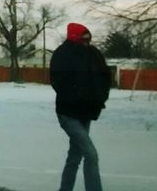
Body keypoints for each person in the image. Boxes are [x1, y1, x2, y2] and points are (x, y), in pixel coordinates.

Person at [50, 22, 111, 191]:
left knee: (75, 156)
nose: (86, 43)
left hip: (86, 112)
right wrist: (78, 96)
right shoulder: (63, 54)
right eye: (83, 39)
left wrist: (100, 98)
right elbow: (58, 82)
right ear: (75, 37)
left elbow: (105, 77)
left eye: (88, 40)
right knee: (91, 154)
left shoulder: (93, 54)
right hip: (68, 113)